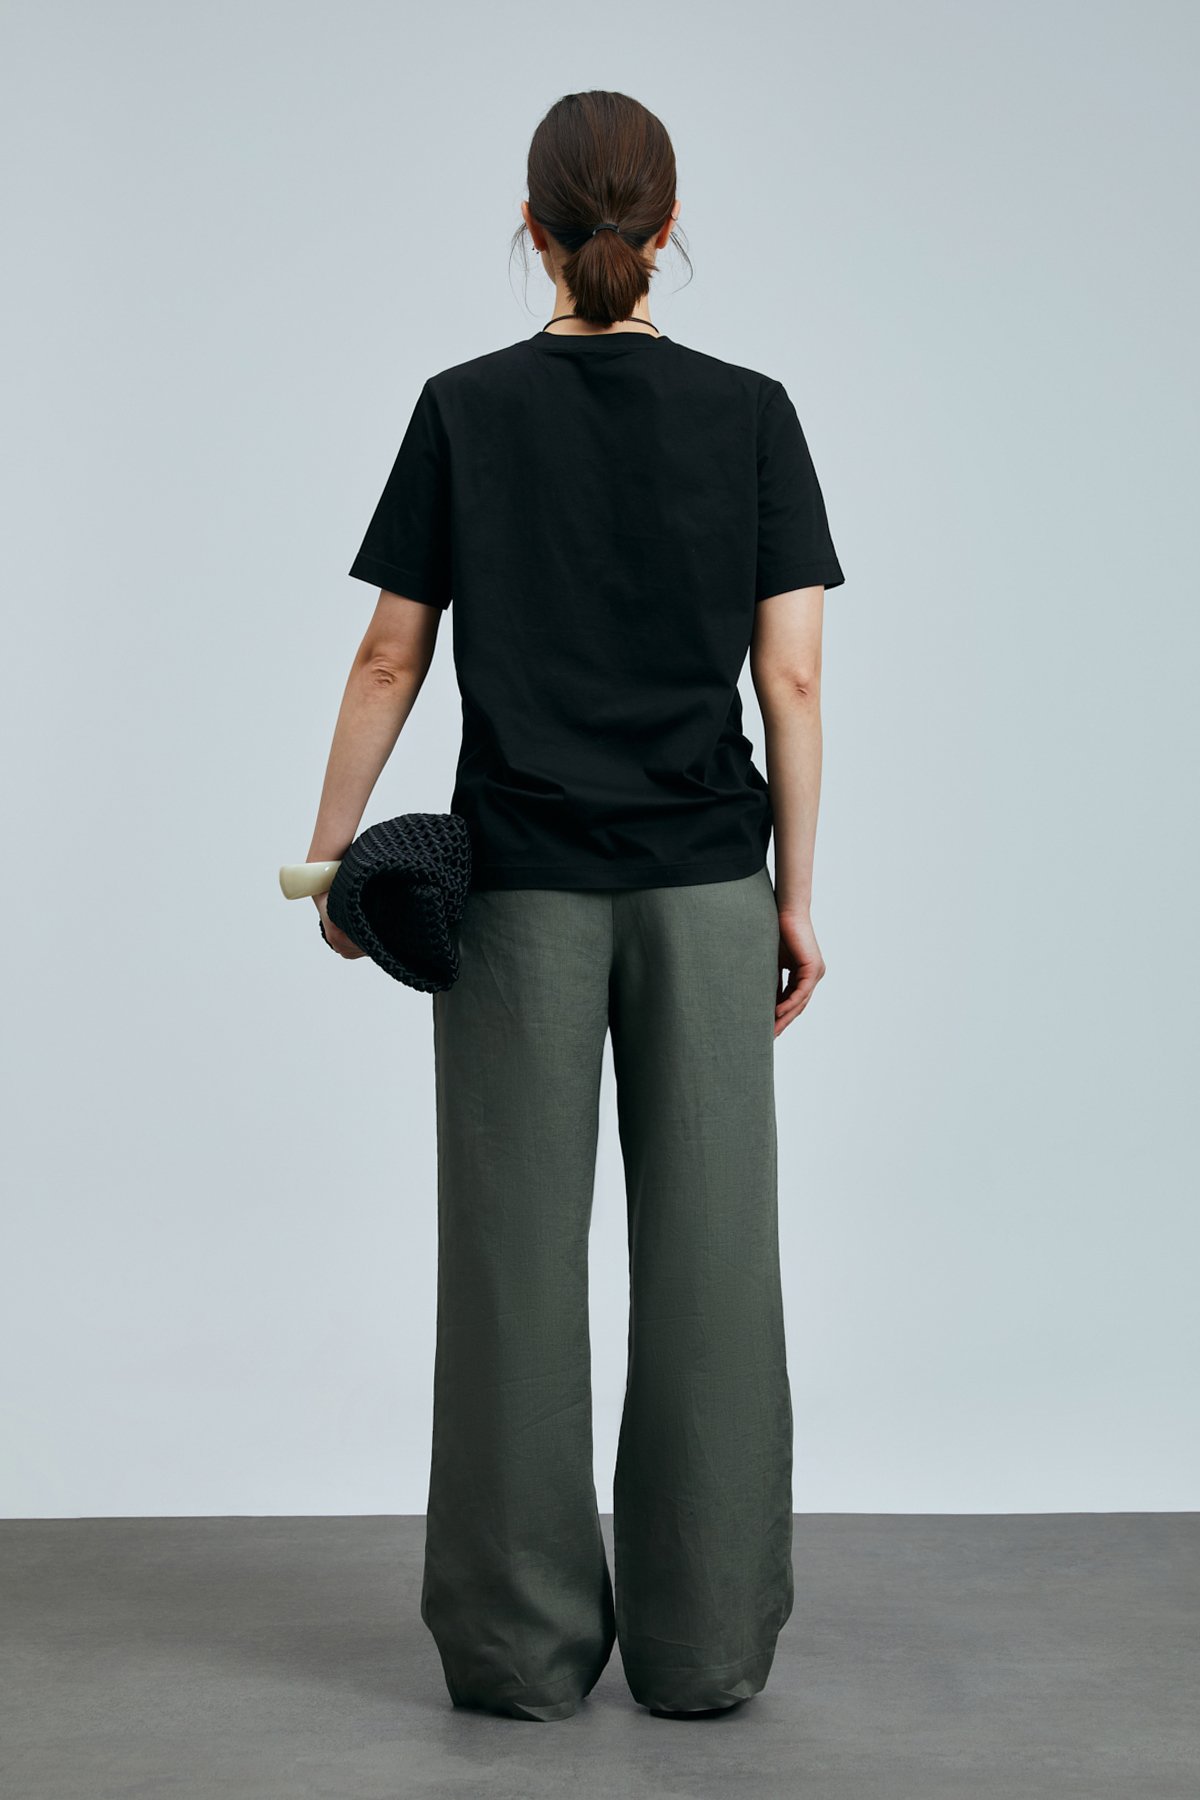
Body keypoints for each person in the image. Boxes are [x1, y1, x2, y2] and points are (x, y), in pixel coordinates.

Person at [305, 89, 845, 1723]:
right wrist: (796, 896)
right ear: (667, 229)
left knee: (511, 1273)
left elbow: (389, 657)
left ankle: (518, 1652)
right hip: (704, 888)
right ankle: (705, 1648)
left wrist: (334, 861)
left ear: (530, 227)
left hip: (520, 897)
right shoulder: (752, 413)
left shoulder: (464, 408)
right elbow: (792, 678)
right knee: (714, 1269)